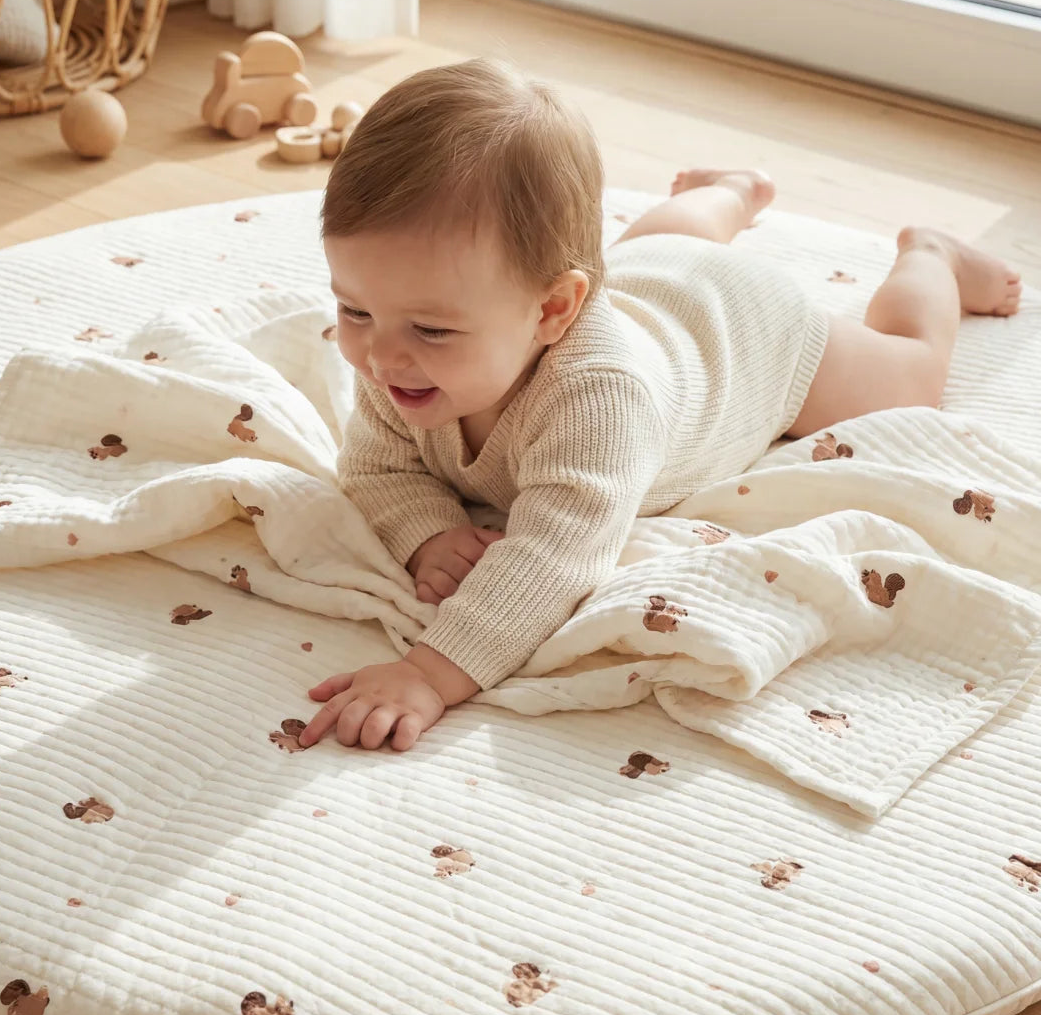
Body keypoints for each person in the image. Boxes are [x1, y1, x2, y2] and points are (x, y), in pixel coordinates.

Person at [299, 58, 1022, 753]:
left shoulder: (600, 402)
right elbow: (373, 468)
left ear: (554, 310)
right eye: (353, 307)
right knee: (664, 242)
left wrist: (430, 671)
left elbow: (555, 557)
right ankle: (731, 191)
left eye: (430, 329)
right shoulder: (399, 344)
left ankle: (933, 258)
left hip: (744, 331)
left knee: (911, 379)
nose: (378, 355)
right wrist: (427, 532)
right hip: (652, 274)